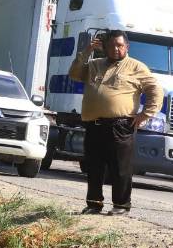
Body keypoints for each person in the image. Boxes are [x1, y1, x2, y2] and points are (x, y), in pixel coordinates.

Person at [68, 28, 164, 215]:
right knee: (94, 167)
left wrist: (145, 114)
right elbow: (74, 73)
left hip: (120, 126)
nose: (116, 49)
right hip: (94, 125)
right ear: (104, 47)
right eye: (111, 45)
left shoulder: (137, 67)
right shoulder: (94, 64)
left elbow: (156, 91)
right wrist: (87, 51)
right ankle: (94, 204)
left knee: (120, 169)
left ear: (127, 47)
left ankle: (121, 206)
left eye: (120, 45)